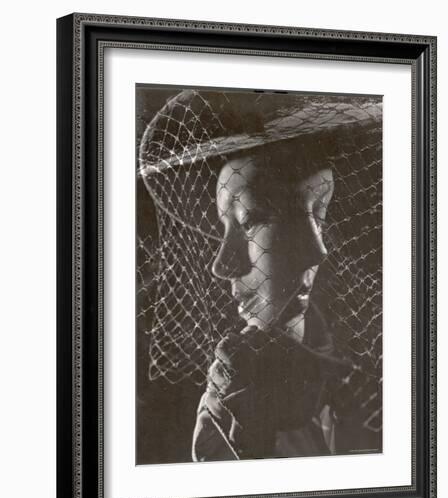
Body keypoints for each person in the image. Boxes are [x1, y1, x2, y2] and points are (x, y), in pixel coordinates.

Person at [138, 88, 382, 464]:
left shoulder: (384, 376)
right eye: (227, 226)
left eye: (250, 220)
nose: (222, 265)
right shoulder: (232, 398)